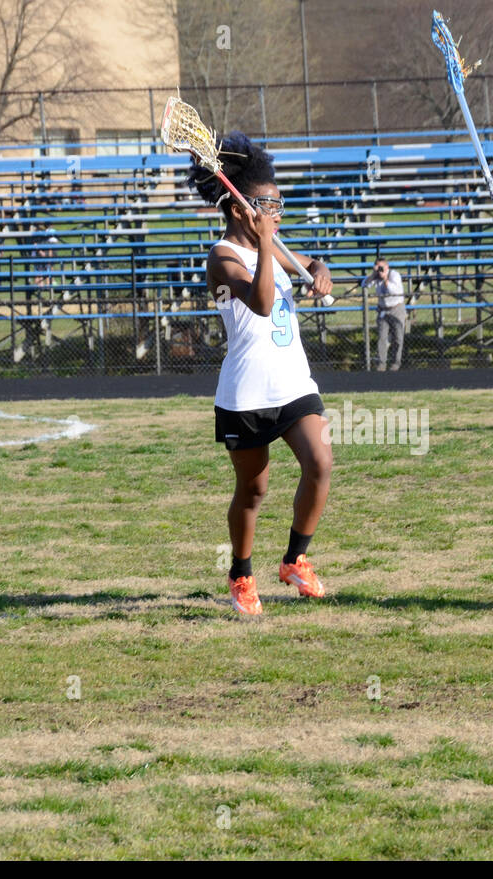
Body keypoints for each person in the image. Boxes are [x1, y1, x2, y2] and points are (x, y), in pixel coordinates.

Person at [193, 131, 335, 615]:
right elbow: (261, 301)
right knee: (253, 491)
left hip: (294, 382)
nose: (277, 216)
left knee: (320, 462)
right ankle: (241, 574)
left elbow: (310, 263)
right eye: (269, 207)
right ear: (239, 210)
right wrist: (270, 246)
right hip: (246, 391)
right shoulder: (222, 257)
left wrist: (319, 267)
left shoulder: (269, 244)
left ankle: (295, 559)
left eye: (279, 208)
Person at [361, 258, 407, 371]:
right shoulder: (375, 277)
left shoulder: (394, 275)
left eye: (382, 268)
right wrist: (373, 275)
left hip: (396, 309)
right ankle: (381, 364)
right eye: (378, 268)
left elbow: (394, 292)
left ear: (387, 267)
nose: (380, 270)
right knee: (382, 337)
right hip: (383, 310)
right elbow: (364, 285)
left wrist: (385, 279)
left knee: (398, 337)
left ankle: (396, 364)